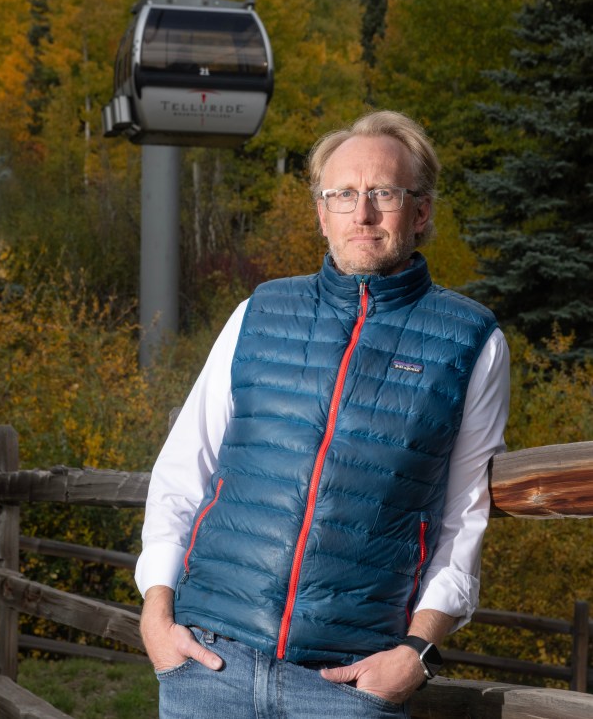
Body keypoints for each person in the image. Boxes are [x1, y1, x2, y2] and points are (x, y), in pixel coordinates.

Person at [135, 109, 510, 719]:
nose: (361, 213)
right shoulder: (258, 312)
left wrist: (416, 651)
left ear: (421, 211)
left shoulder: (471, 341)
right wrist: (157, 617)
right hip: (206, 662)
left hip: (347, 684)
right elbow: (183, 472)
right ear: (321, 213)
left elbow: (464, 517)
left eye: (382, 193)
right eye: (342, 195)